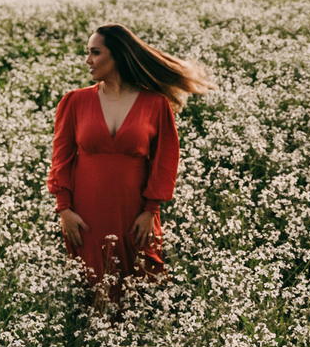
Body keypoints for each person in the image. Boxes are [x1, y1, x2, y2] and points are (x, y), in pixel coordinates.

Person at [48, 24, 212, 300]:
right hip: (86, 214)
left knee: (141, 285)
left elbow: (165, 160)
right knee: (95, 290)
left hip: (136, 212)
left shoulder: (155, 103)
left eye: (95, 52)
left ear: (118, 56)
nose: (87, 60)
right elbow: (60, 159)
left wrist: (150, 210)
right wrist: (64, 209)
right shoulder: (75, 101)